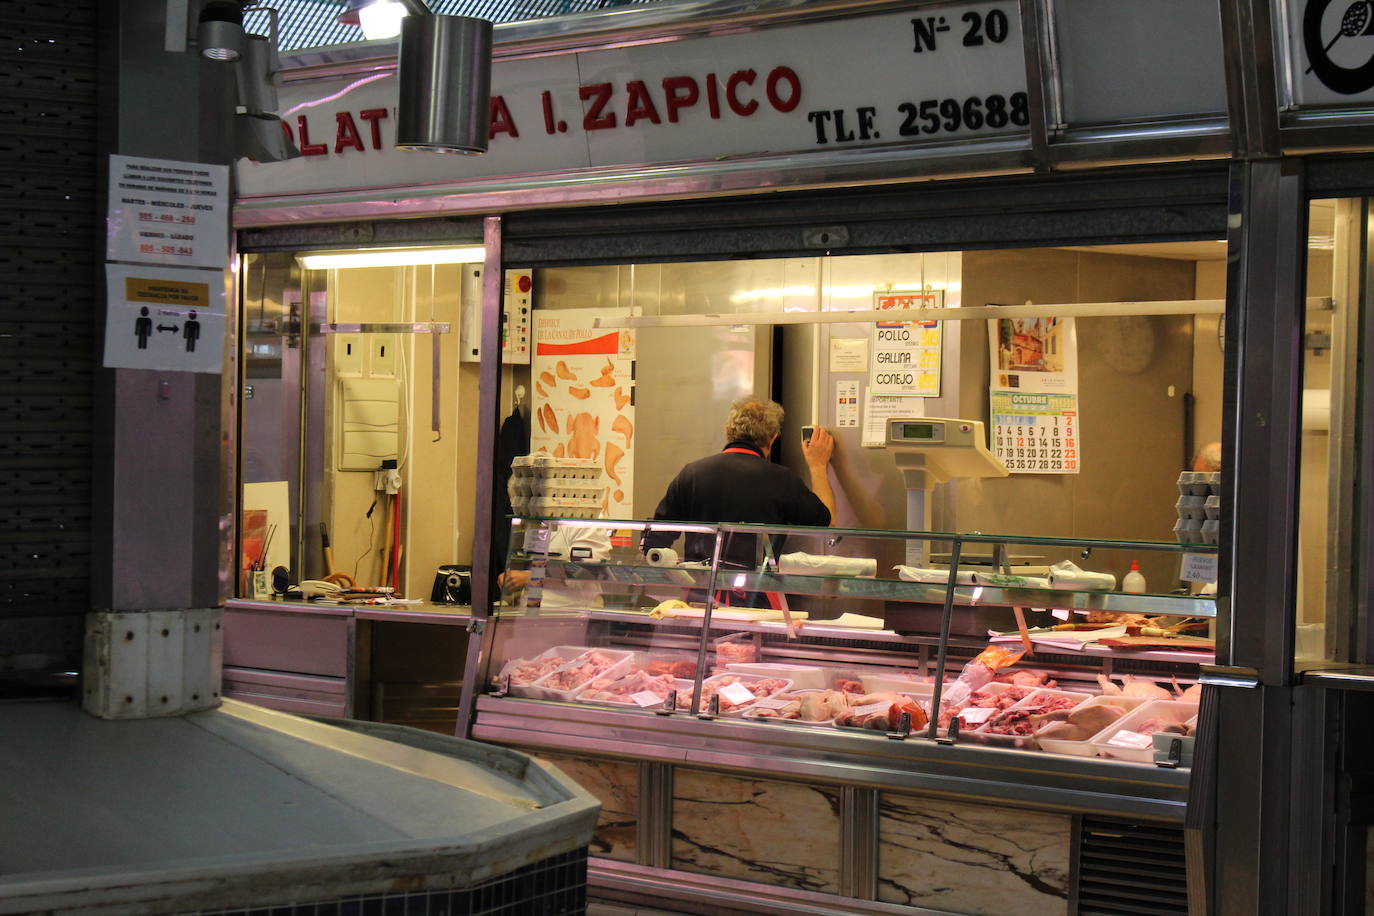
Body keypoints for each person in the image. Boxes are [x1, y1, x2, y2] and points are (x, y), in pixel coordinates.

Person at [645, 396, 836, 570]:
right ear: (773, 438)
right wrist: (818, 466)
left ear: (728, 431)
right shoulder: (782, 479)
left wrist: (679, 573)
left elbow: (653, 542)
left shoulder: (691, 474)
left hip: (700, 596)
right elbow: (825, 525)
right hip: (758, 599)